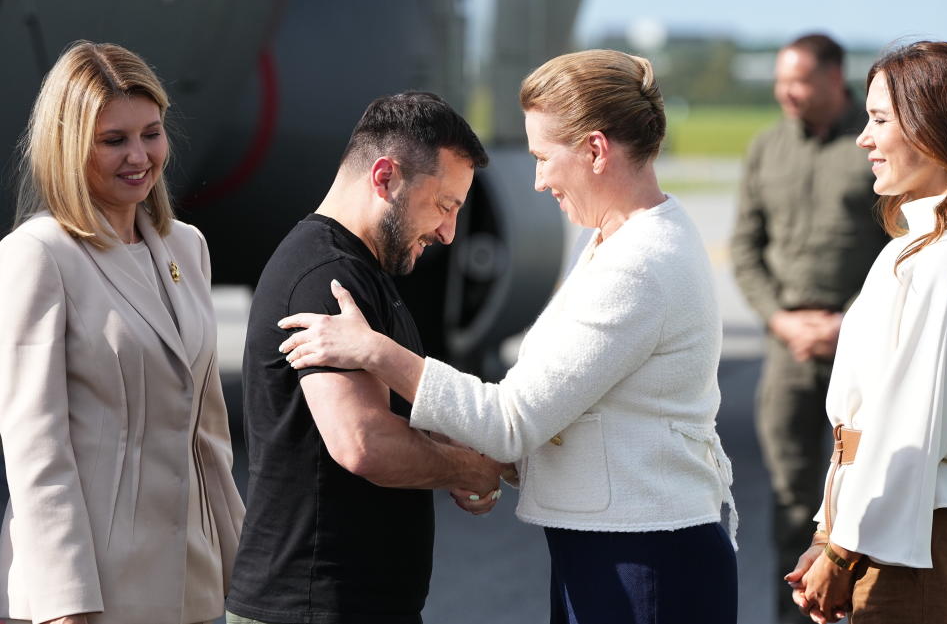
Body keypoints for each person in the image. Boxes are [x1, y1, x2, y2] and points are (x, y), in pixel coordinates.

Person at [279, 50, 738, 624]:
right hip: (617, 542)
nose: (539, 180)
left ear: (596, 150)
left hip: (641, 556)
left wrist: (375, 351)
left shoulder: (637, 263)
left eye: (544, 157)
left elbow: (511, 420)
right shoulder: (619, 239)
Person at [224, 91, 501, 624]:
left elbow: (393, 412)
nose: (449, 232)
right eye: (444, 206)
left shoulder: (365, 272)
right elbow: (363, 442)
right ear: (385, 177)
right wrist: (470, 467)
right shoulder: (324, 278)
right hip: (312, 607)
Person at [0, 41, 245, 624]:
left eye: (151, 133)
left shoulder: (188, 246)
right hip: (91, 592)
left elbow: (207, 432)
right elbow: (37, 448)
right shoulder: (36, 256)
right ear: (68, 146)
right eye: (114, 140)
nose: (139, 155)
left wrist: (243, 564)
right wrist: (66, 603)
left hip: (190, 579)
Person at [785, 40, 947, 624]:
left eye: (880, 119)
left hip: (913, 536)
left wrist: (841, 551)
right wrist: (826, 530)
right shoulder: (910, 250)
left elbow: (909, 427)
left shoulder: (945, 262)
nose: (863, 137)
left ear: (937, 127)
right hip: (878, 523)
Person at [729, 33, 889, 624]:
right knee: (793, 500)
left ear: (832, 78)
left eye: (797, 81)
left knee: (874, 484)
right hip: (790, 345)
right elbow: (745, 248)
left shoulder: (873, 143)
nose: (785, 93)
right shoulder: (767, 147)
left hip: (867, 339)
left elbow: (898, 245)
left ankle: (867, 606)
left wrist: (848, 321)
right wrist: (778, 318)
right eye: (779, 82)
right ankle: (794, 614)